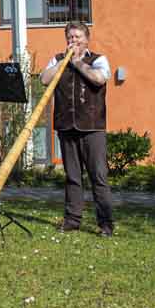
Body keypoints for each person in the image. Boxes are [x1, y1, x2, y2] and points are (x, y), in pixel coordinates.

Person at [40, 21, 114, 237]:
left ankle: (106, 224)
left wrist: (79, 63)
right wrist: (64, 62)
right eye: (70, 38)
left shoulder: (98, 60)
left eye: (77, 38)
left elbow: (99, 79)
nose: (73, 41)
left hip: (92, 127)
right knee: (72, 176)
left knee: (98, 176)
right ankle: (72, 220)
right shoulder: (57, 59)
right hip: (66, 126)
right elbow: (44, 79)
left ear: (86, 39)